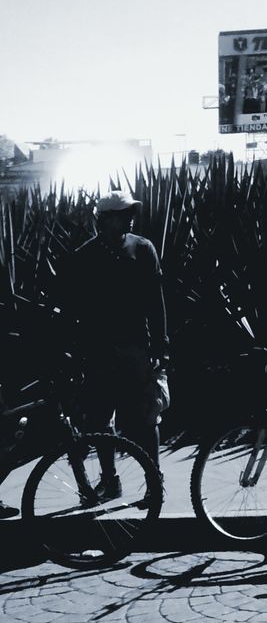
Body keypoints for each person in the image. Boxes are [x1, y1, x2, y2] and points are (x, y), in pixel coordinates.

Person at [54, 188, 168, 498]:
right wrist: (73, 352)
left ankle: (154, 482)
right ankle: (110, 478)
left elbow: (155, 302)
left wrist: (160, 344)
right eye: (122, 214)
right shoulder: (84, 258)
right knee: (100, 419)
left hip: (135, 347)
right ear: (104, 220)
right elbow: (72, 310)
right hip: (99, 351)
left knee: (146, 416)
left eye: (130, 213)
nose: (130, 218)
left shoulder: (143, 249)